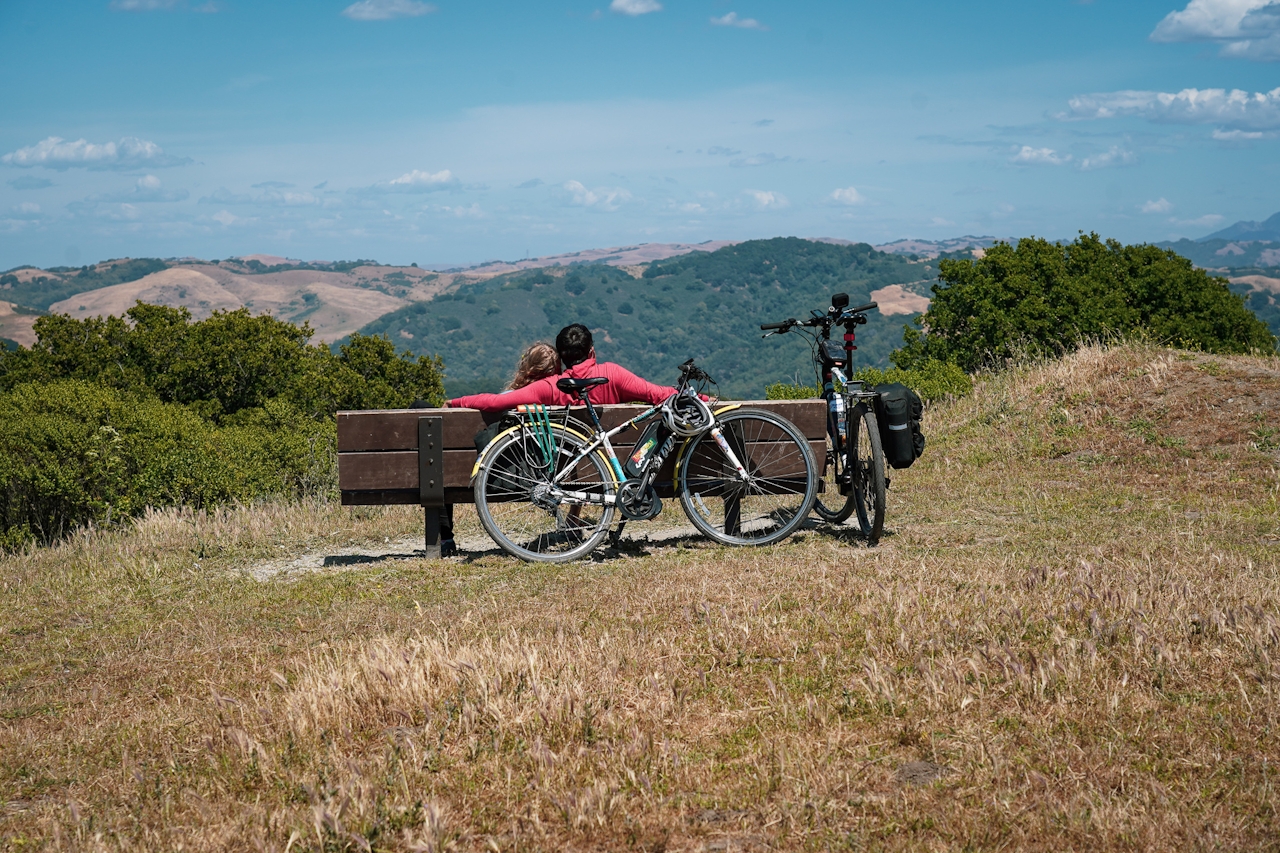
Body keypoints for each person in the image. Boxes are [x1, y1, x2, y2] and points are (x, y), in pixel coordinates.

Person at [448, 323, 677, 412]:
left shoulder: (551, 386)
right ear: (592, 352)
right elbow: (658, 395)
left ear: (562, 357)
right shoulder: (613, 375)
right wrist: (705, 400)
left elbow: (495, 402)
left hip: (566, 470)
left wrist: (455, 402)